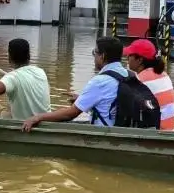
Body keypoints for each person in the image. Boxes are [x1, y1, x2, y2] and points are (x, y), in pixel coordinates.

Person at [23, 36, 159, 131]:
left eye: (95, 53)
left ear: (103, 56)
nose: (94, 57)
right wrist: (81, 99)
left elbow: (70, 114)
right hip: (122, 130)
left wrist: (38, 117)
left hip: (105, 135)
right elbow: (112, 103)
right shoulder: (129, 75)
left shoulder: (99, 81)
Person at [124, 39, 174, 131]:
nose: (127, 58)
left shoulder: (140, 79)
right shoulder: (164, 75)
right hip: (170, 130)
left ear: (140, 60)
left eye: (130, 55)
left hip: (156, 133)